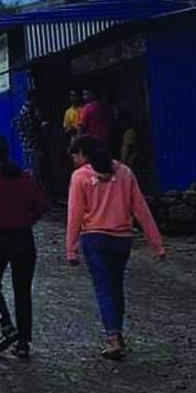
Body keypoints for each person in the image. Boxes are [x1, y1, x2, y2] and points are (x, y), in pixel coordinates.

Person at [66, 136, 165, 360]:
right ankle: (117, 333)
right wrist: (156, 244)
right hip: (122, 239)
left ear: (83, 153)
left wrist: (71, 248)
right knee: (116, 286)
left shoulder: (80, 176)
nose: (73, 160)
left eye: (74, 155)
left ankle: (113, 338)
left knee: (103, 287)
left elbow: (75, 214)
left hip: (94, 239)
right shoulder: (125, 172)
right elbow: (140, 209)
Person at [0, 135, 49, 359]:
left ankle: (6, 325)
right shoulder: (24, 177)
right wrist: (26, 223)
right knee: (22, 290)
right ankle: (23, 342)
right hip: (24, 238)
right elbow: (42, 207)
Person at [16, 90, 51, 202]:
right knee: (36, 174)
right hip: (33, 147)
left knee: (35, 173)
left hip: (29, 147)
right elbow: (32, 132)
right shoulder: (28, 113)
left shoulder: (25, 111)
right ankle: (39, 200)